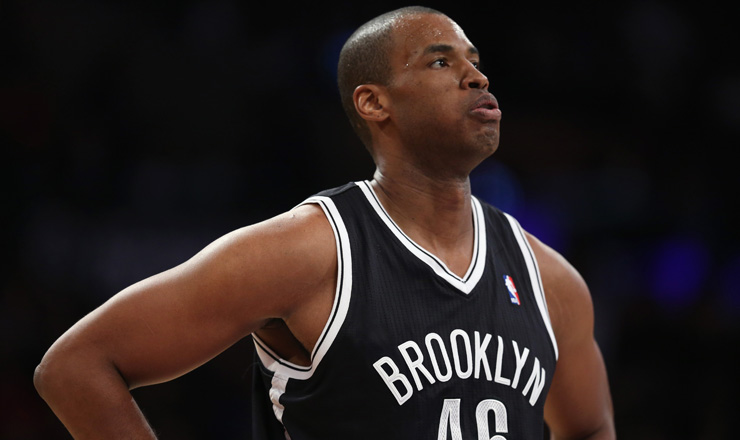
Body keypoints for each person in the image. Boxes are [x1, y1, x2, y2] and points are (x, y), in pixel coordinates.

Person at [34, 6, 615, 439]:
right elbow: (76, 366)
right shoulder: (308, 252)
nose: (477, 77)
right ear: (373, 102)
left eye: (476, 63)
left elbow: (589, 427)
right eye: (442, 61)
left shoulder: (551, 279)